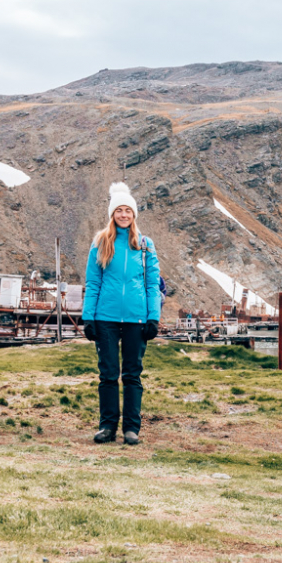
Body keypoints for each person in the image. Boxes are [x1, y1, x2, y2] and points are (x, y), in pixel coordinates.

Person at [81, 182, 161, 445]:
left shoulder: (146, 245)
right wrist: (88, 317)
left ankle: (131, 429)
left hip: (137, 319)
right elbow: (93, 283)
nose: (124, 215)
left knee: (132, 374)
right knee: (107, 374)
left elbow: (152, 284)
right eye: (119, 210)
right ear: (112, 214)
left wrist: (153, 317)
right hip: (105, 318)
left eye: (128, 210)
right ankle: (107, 427)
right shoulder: (101, 242)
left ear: (134, 214)